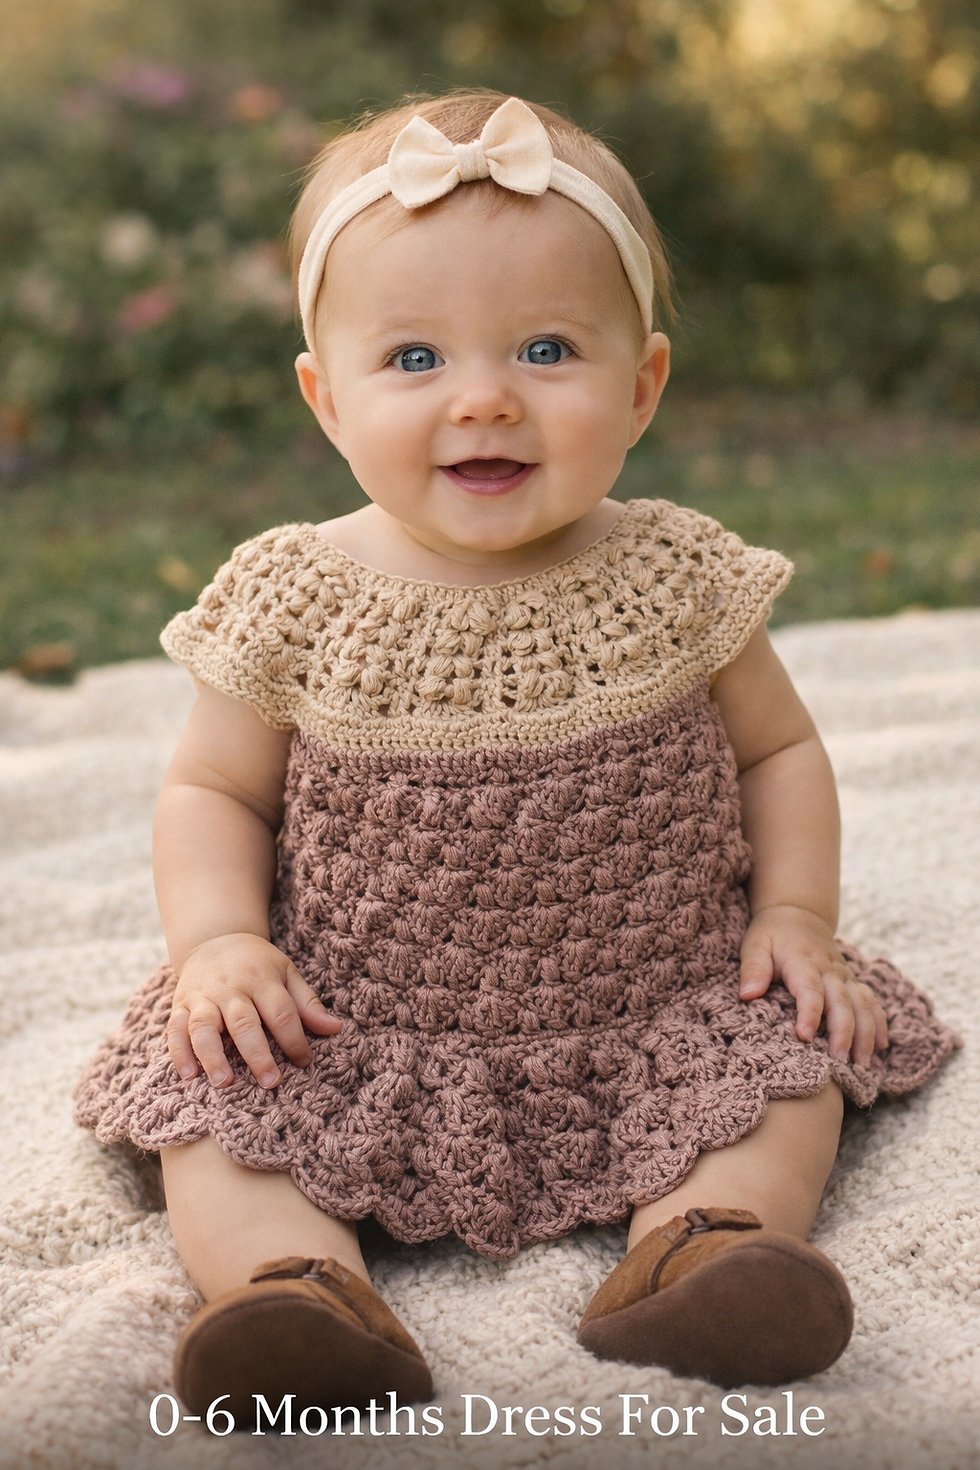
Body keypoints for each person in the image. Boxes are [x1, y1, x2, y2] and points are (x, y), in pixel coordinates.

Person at [74, 90, 958, 1417]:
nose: (483, 400)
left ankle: (708, 1246)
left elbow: (779, 751)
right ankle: (292, 1291)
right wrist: (217, 945)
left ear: (643, 382)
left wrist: (794, 916)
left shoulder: (673, 572)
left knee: (787, 1065)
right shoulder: (297, 593)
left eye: (547, 348)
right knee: (218, 1103)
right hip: (350, 1022)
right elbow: (212, 788)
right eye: (415, 359)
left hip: (658, 998)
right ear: (326, 398)